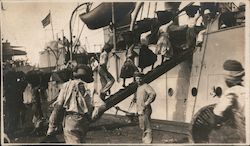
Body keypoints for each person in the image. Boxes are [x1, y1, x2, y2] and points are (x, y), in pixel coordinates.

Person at [47, 64, 104, 143]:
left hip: (70, 120)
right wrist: (92, 118)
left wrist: (51, 127)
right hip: (84, 121)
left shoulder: (66, 86)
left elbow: (58, 106)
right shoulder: (89, 87)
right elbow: (101, 106)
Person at [212, 60, 245, 142]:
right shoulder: (245, 90)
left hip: (240, 133)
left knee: (214, 135)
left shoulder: (231, 93)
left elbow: (218, 112)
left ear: (228, 80)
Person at [134, 71, 156, 144]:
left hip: (145, 110)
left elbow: (152, 93)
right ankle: (145, 141)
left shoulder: (145, 86)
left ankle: (148, 142)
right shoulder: (138, 88)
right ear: (135, 79)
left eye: (140, 78)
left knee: (147, 127)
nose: (139, 80)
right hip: (140, 110)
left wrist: (147, 103)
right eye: (137, 78)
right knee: (143, 127)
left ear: (142, 79)